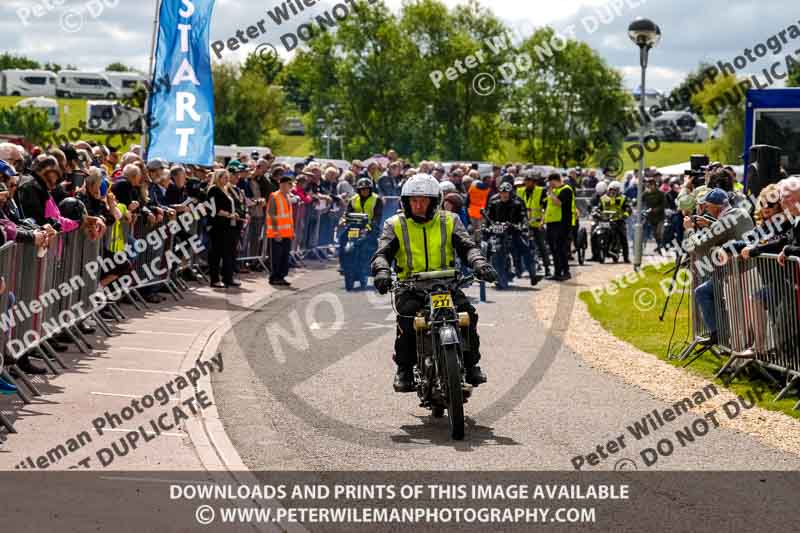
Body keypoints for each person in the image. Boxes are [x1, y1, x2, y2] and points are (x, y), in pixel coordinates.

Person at [371, 174, 497, 392]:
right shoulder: (394, 224)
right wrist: (382, 271)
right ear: (405, 202)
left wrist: (480, 264)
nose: (418, 205)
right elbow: (382, 254)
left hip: (446, 285)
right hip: (410, 287)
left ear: (434, 201)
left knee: (467, 314)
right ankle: (404, 370)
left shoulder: (450, 220)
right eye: (413, 200)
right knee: (408, 319)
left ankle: (471, 364)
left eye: (423, 200)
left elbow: (468, 247)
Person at [686, 188, 754, 346]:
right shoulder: (741, 213)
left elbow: (699, 247)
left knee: (702, 292)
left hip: (734, 275)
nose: (707, 210)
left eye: (708, 207)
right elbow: (729, 228)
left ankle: (718, 334)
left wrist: (689, 229)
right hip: (750, 271)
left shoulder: (723, 222)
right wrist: (710, 224)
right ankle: (724, 335)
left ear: (716, 207)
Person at [486, 181, 539, 286]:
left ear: (510, 193)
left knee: (525, 249)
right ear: (499, 193)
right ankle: (492, 275)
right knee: (488, 249)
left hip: (513, 232)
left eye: (506, 192)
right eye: (502, 192)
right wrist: (486, 227)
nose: (504, 194)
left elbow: (523, 217)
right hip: (498, 234)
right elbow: (488, 218)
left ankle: (533, 274)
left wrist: (523, 226)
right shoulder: (494, 204)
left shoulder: (517, 204)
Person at [206, 170, 240, 288]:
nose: (227, 179)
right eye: (224, 177)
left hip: (229, 225)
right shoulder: (213, 190)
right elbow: (213, 209)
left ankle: (228, 277)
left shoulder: (226, 189)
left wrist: (233, 214)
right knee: (216, 253)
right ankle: (215, 279)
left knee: (229, 252)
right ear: (218, 178)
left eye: (227, 177)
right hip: (218, 226)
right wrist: (229, 215)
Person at [518, 174, 551, 277]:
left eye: (530, 181)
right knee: (518, 244)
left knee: (541, 245)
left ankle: (547, 268)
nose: (527, 183)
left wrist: (543, 220)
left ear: (534, 182)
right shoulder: (520, 191)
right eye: (526, 180)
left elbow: (546, 207)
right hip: (523, 223)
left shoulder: (541, 191)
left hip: (537, 223)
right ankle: (518, 268)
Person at [543, 173, 574, 281]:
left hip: (562, 223)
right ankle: (557, 272)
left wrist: (551, 193)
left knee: (560, 248)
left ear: (554, 180)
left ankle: (566, 272)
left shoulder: (566, 189)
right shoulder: (555, 191)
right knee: (554, 249)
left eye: (550, 182)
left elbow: (558, 203)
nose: (549, 184)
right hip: (551, 222)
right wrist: (543, 220)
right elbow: (549, 206)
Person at [266, 172, 295, 287]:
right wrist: (276, 231)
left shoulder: (287, 197)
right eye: (284, 184)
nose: (286, 187)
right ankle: (275, 277)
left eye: (288, 185)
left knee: (284, 256)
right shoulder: (275, 196)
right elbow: (271, 214)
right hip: (277, 233)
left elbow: (288, 217)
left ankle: (281, 276)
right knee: (276, 257)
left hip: (286, 233)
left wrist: (292, 231)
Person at [593, 181, 631, 262]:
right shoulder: (603, 198)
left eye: (615, 190)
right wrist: (596, 212)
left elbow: (628, 209)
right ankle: (595, 255)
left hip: (618, 221)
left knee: (623, 236)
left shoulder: (623, 198)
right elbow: (599, 208)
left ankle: (626, 257)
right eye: (611, 190)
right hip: (605, 220)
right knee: (594, 234)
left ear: (618, 191)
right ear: (608, 190)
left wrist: (624, 215)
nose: (613, 192)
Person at [641, 177, 667, 254]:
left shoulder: (660, 193)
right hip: (650, 217)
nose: (650, 186)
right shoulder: (645, 194)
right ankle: (659, 246)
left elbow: (664, 204)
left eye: (652, 184)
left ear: (655, 185)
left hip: (660, 217)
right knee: (655, 233)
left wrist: (656, 209)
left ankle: (661, 246)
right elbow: (640, 201)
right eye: (649, 185)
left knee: (659, 232)